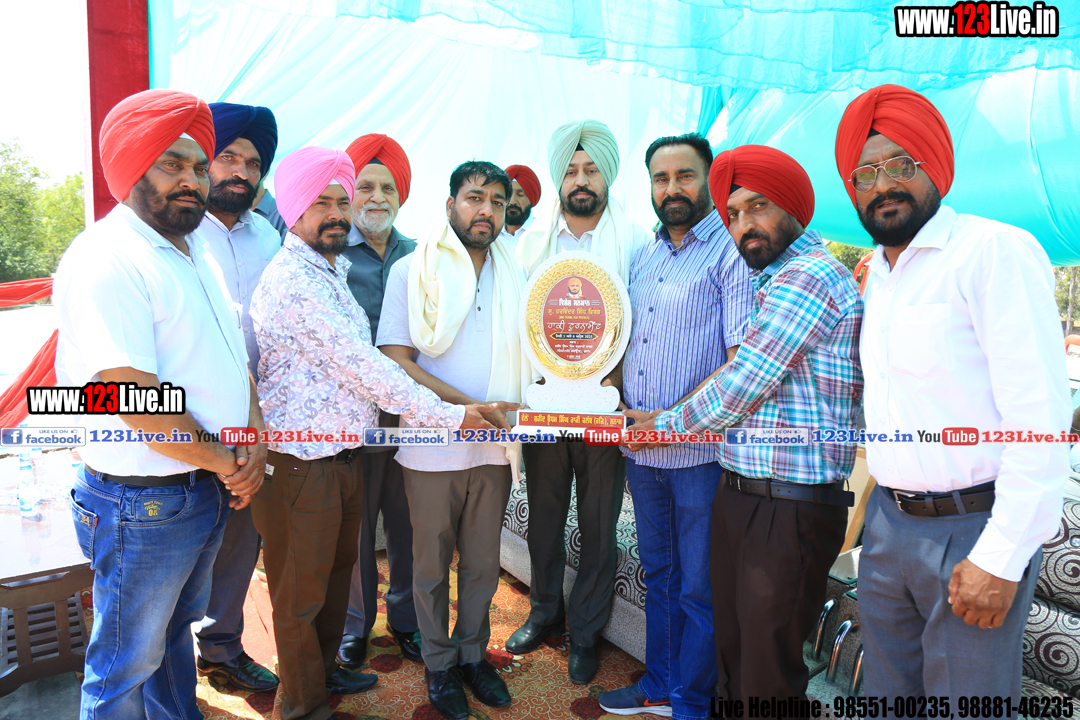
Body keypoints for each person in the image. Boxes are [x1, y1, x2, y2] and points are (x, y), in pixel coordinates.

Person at [835, 84, 1070, 702]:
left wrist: (1002, 555)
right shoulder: (878, 274)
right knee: (887, 699)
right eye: (865, 174)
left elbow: (1040, 421)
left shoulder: (992, 251)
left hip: (972, 529)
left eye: (900, 165)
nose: (883, 185)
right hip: (887, 526)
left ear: (933, 166)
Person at [248, 147, 499, 720]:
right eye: (322, 203)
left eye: (342, 202)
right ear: (294, 209)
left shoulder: (329, 270)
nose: (337, 214)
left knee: (336, 578)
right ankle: (301, 705)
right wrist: (453, 415)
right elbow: (368, 368)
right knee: (299, 595)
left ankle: (326, 673)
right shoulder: (295, 280)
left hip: (343, 456)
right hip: (300, 464)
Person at [54, 89, 265, 720]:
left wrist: (250, 437)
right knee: (123, 667)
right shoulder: (107, 258)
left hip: (199, 484)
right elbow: (135, 399)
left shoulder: (195, 250)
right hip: (142, 501)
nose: (192, 180)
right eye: (172, 164)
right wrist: (230, 461)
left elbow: (234, 356)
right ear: (131, 167)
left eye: (198, 167)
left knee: (174, 637)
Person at [625, 144, 863, 702]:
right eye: (733, 213)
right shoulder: (771, 277)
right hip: (750, 494)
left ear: (792, 206)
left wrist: (660, 426)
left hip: (789, 504)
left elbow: (742, 383)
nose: (743, 225)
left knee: (765, 673)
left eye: (758, 207)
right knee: (737, 660)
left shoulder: (810, 276)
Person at [599, 133, 752, 720]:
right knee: (659, 572)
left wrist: (667, 419)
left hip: (699, 456)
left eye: (684, 175)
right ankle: (659, 684)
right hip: (642, 454)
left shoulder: (730, 253)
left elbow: (737, 362)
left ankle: (691, 700)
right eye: (660, 179)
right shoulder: (646, 255)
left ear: (709, 180)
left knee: (699, 586)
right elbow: (623, 341)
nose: (672, 189)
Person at [377, 161, 530, 720]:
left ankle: (471, 656)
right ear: (450, 206)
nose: (486, 210)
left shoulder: (518, 273)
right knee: (430, 567)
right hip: (431, 446)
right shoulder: (411, 270)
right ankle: (439, 666)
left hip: (494, 446)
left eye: (497, 201)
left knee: (484, 565)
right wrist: (461, 409)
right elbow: (396, 358)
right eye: (474, 198)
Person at [510, 120, 650, 684]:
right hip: (546, 403)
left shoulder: (636, 242)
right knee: (543, 517)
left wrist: (610, 381)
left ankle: (586, 632)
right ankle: (544, 611)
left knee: (598, 524)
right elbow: (520, 326)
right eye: (571, 170)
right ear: (558, 178)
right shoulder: (531, 244)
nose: (581, 180)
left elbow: (641, 324)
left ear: (607, 174)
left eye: (591, 169)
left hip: (606, 406)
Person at [192, 101, 282, 694]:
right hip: (183, 422)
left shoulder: (267, 237)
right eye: (228, 157)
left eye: (252, 163)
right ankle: (170, 662)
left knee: (240, 542)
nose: (241, 172)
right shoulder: (176, 232)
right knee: (183, 549)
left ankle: (221, 647)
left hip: (256, 420)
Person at [336, 133, 421, 668]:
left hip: (410, 415)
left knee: (409, 524)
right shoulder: (330, 252)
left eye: (388, 187)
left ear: (401, 195)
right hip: (354, 415)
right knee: (358, 526)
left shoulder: (422, 256)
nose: (377, 197)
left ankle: (407, 621)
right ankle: (355, 625)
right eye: (365, 186)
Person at [502, 164, 541, 241]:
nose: (512, 201)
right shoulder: (490, 234)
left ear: (531, 198)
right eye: (508, 194)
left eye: (520, 195)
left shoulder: (543, 233)